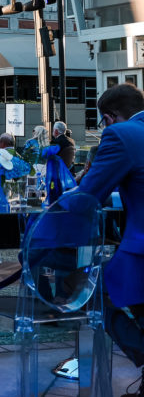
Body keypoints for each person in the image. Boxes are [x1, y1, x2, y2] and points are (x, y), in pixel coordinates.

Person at [75, 84, 144, 395]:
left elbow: (88, 195)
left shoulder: (121, 134)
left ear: (109, 117)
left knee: (90, 291)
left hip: (140, 249)